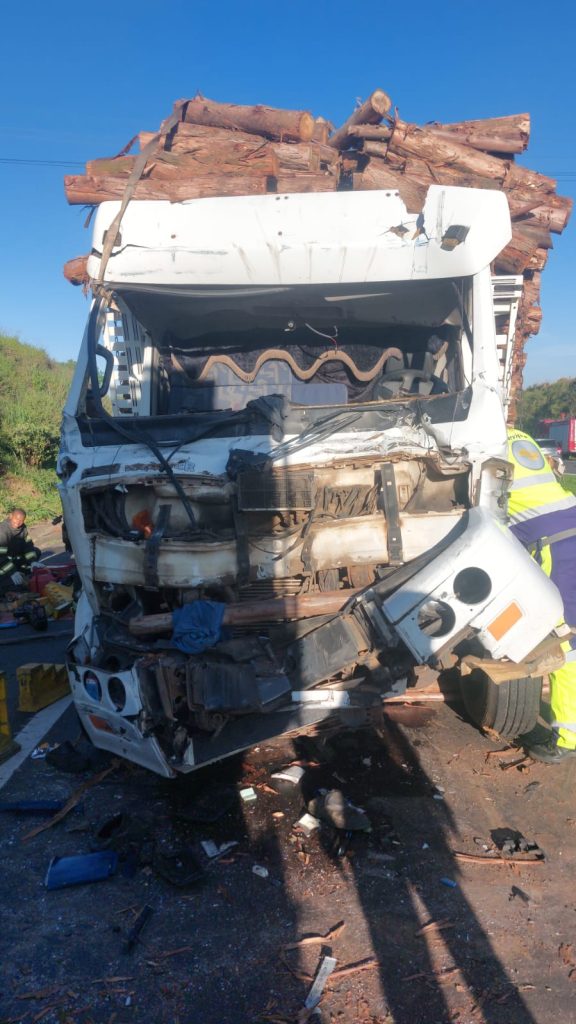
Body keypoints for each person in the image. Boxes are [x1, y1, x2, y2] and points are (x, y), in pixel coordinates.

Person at [507, 429, 576, 763]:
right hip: (570, 527)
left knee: (566, 646)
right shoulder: (518, 435)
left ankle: (566, 739)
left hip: (553, 546)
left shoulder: (478, 439)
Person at [0, 508, 40, 588]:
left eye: (21, 520)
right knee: (6, 581)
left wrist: (33, 561)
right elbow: (1, 556)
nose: (18, 523)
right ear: (11, 516)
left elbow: (28, 545)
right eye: (16, 519)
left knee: (36, 552)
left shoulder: (23, 528)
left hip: (14, 558)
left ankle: (21, 570)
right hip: (2, 561)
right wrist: (12, 572)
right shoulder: (2, 531)